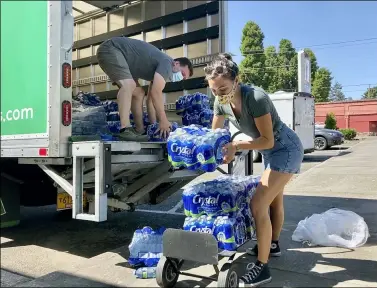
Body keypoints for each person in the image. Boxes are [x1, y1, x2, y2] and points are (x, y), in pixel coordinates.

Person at [204, 53, 304, 287]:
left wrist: (236, 145)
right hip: (271, 152)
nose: (219, 94)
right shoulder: (220, 102)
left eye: (223, 88)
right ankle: (273, 245)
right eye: (214, 90)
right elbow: (216, 135)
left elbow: (267, 140)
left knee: (258, 203)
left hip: (285, 149)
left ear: (237, 79)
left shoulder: (256, 97)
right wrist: (214, 150)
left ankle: (262, 267)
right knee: (273, 202)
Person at [97, 37, 193, 141]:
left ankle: (139, 130)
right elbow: (157, 92)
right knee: (128, 85)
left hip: (124, 59)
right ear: (177, 63)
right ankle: (125, 129)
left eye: (183, 78)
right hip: (112, 49)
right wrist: (163, 120)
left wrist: (153, 126)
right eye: (182, 73)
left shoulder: (161, 71)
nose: (181, 77)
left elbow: (151, 100)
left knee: (139, 93)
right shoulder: (167, 64)